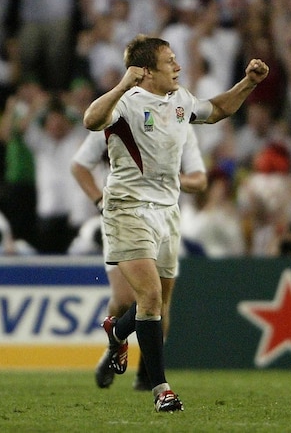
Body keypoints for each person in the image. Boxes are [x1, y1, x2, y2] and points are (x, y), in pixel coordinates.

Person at [82, 35, 268, 412]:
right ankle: (161, 389)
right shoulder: (127, 103)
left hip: (168, 211)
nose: (178, 67)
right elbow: (90, 120)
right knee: (149, 298)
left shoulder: (180, 99)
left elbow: (216, 110)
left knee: (160, 304)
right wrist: (122, 83)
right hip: (127, 207)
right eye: (170, 61)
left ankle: (117, 332)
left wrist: (249, 83)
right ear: (146, 71)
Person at [71, 127, 206, 391]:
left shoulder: (179, 119)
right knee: (125, 299)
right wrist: (99, 201)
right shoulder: (118, 112)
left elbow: (199, 180)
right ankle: (115, 346)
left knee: (160, 303)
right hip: (124, 213)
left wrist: (170, 179)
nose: (173, 84)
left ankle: (145, 373)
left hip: (165, 218)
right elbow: (79, 166)